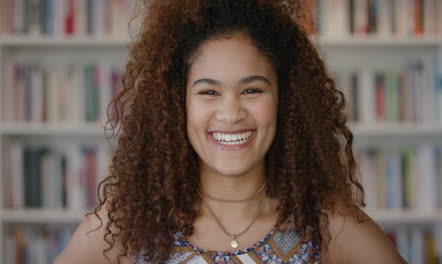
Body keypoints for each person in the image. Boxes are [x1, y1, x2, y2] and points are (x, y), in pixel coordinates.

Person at [54, 0, 406, 263]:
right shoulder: (129, 224)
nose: (231, 113)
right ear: (179, 105)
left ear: (285, 100)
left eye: (252, 90)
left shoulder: (327, 224)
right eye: (208, 92)